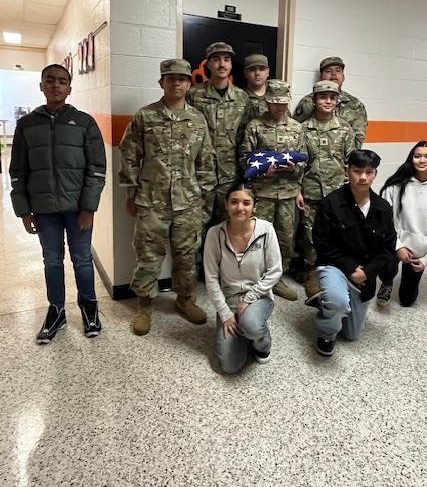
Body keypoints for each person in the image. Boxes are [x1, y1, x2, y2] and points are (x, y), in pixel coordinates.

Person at [9, 64, 106, 343]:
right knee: (52, 260)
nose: (56, 86)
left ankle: (89, 307)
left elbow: (97, 168)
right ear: (41, 85)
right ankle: (57, 311)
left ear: (69, 88)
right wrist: (24, 210)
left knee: (83, 260)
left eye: (62, 81)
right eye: (50, 81)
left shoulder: (84, 122)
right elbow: (18, 170)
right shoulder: (26, 125)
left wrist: (89, 207)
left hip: (78, 209)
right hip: (43, 209)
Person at [119, 59, 216, 335]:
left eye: (182, 79)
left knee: (187, 255)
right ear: (161, 82)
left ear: (188, 84)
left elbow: (206, 161)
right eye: (170, 78)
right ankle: (144, 305)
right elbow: (129, 155)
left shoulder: (198, 120)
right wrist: (131, 192)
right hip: (151, 201)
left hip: (189, 202)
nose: (176, 83)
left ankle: (185, 300)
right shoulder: (145, 116)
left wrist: (205, 197)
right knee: (148, 254)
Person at [306, 149, 397, 356]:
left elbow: (388, 248)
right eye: (357, 171)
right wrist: (349, 266)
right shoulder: (331, 202)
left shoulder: (383, 208)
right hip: (335, 265)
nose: (363, 177)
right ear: (347, 171)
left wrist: (368, 271)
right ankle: (327, 331)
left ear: (375, 174)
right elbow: (322, 241)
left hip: (364, 276)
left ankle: (327, 300)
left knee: (351, 334)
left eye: (369, 172)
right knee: (337, 304)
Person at [204, 183, 282, 373]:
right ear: (226, 205)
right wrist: (225, 314)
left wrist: (249, 299)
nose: (240, 208)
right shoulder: (215, 234)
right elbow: (211, 279)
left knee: (252, 325)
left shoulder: (266, 230)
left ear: (254, 207)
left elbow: (275, 270)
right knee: (230, 367)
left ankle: (260, 341)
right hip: (229, 301)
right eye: (234, 202)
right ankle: (244, 328)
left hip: (258, 297)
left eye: (246, 203)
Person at [239, 79, 305, 301]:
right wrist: (260, 171)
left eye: (283, 103)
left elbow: (306, 160)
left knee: (285, 237)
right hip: (262, 193)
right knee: (257, 237)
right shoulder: (254, 126)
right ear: (267, 102)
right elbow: (243, 158)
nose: (279, 107)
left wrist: (295, 168)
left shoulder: (297, 128)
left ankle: (277, 278)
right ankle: (254, 279)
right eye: (275, 103)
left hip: (287, 194)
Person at [377, 141, 427, 307]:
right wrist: (398, 247)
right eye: (417, 156)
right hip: (393, 243)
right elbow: (385, 221)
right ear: (411, 160)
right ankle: (387, 281)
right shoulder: (395, 186)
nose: (422, 160)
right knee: (386, 268)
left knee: (407, 300)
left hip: (419, 251)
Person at [296, 81, 355, 295]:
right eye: (323, 97)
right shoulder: (303, 129)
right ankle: (311, 272)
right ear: (314, 100)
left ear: (337, 100)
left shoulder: (344, 129)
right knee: (310, 234)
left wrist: (351, 191)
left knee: (338, 233)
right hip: (311, 191)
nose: (327, 101)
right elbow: (299, 163)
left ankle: (334, 271)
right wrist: (298, 190)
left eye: (332, 97)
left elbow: (351, 163)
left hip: (338, 192)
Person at [187, 41, 252, 224]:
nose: (222, 64)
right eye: (216, 59)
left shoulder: (241, 97)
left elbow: (244, 136)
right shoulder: (194, 95)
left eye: (226, 60)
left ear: (231, 64)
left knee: (227, 225)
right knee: (197, 227)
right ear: (207, 64)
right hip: (199, 173)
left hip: (229, 175)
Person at [294, 56, 367, 148]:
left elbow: (358, 137)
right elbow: (296, 132)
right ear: (321, 77)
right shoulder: (307, 102)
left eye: (338, 70)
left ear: (343, 77)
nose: (334, 74)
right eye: (328, 71)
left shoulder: (355, 105)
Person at [243, 53, 270, 118]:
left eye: (262, 69)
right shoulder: (239, 97)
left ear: (268, 72)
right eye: (252, 69)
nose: (257, 73)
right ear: (245, 73)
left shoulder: (276, 97)